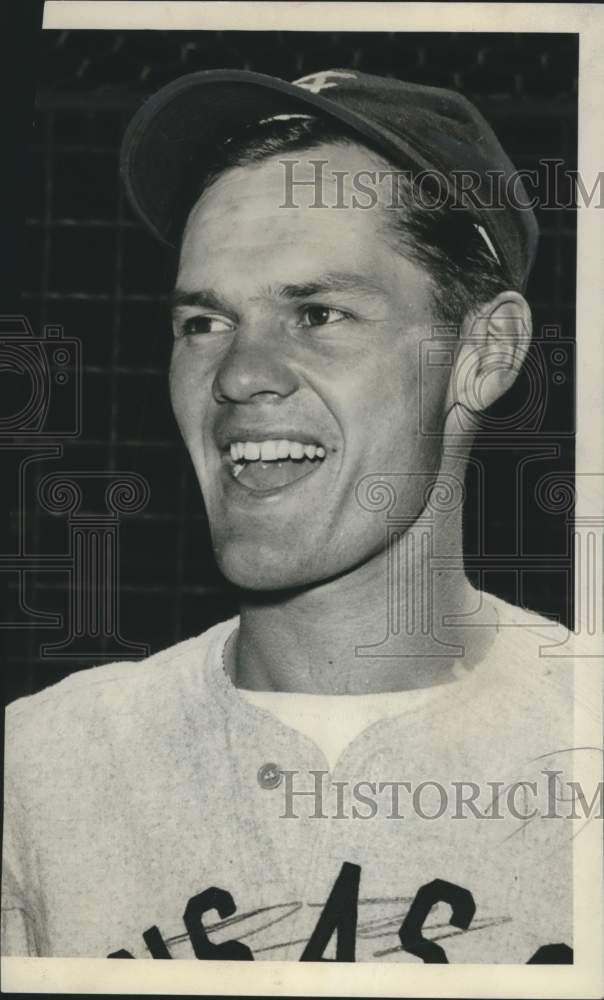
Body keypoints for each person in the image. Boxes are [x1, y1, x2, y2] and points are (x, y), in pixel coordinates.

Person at [2, 68, 576, 962]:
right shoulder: (43, 768)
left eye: (318, 312)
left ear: (484, 353)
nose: (238, 375)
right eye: (204, 323)